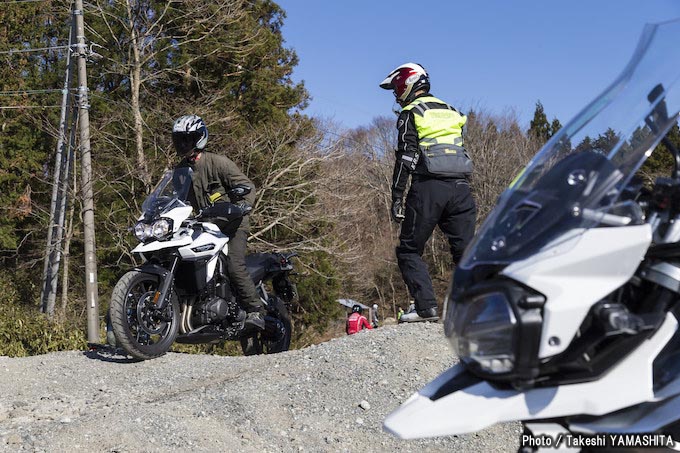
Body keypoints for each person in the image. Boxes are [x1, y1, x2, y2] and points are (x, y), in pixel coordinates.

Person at [379, 63, 477, 323]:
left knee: (409, 250)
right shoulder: (452, 111)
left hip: (429, 187)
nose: (396, 95)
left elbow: (407, 157)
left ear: (407, 84)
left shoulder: (412, 112)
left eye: (396, 90)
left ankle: (426, 308)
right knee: (465, 252)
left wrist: (397, 196)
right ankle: (479, 309)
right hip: (462, 187)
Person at [172, 114, 266, 330]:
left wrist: (243, 206)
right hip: (204, 226)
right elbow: (175, 200)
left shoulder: (217, 163)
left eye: (187, 139)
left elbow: (247, 186)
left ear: (199, 139)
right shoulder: (179, 171)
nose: (183, 144)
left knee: (234, 265)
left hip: (233, 223)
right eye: (179, 140)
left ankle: (255, 310)